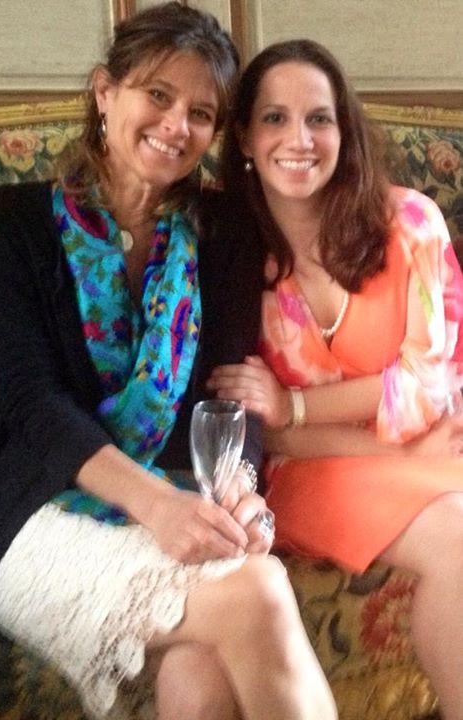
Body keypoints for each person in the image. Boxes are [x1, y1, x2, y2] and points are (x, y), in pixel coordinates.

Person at [0, 8, 337, 720]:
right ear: (105, 92)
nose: (176, 125)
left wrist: (242, 494)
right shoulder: (6, 222)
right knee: (257, 589)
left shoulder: (224, 232)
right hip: (40, 518)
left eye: (201, 112)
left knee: (203, 669)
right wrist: (156, 505)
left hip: (181, 502)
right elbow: (34, 403)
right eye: (157, 95)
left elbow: (229, 395)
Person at [207, 38, 463, 720]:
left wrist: (294, 404)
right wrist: (391, 445)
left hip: (427, 447)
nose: (300, 139)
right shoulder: (225, 256)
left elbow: (428, 390)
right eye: (275, 118)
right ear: (244, 138)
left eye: (319, 118)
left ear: (343, 131)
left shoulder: (410, 223)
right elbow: (252, 433)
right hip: (302, 477)